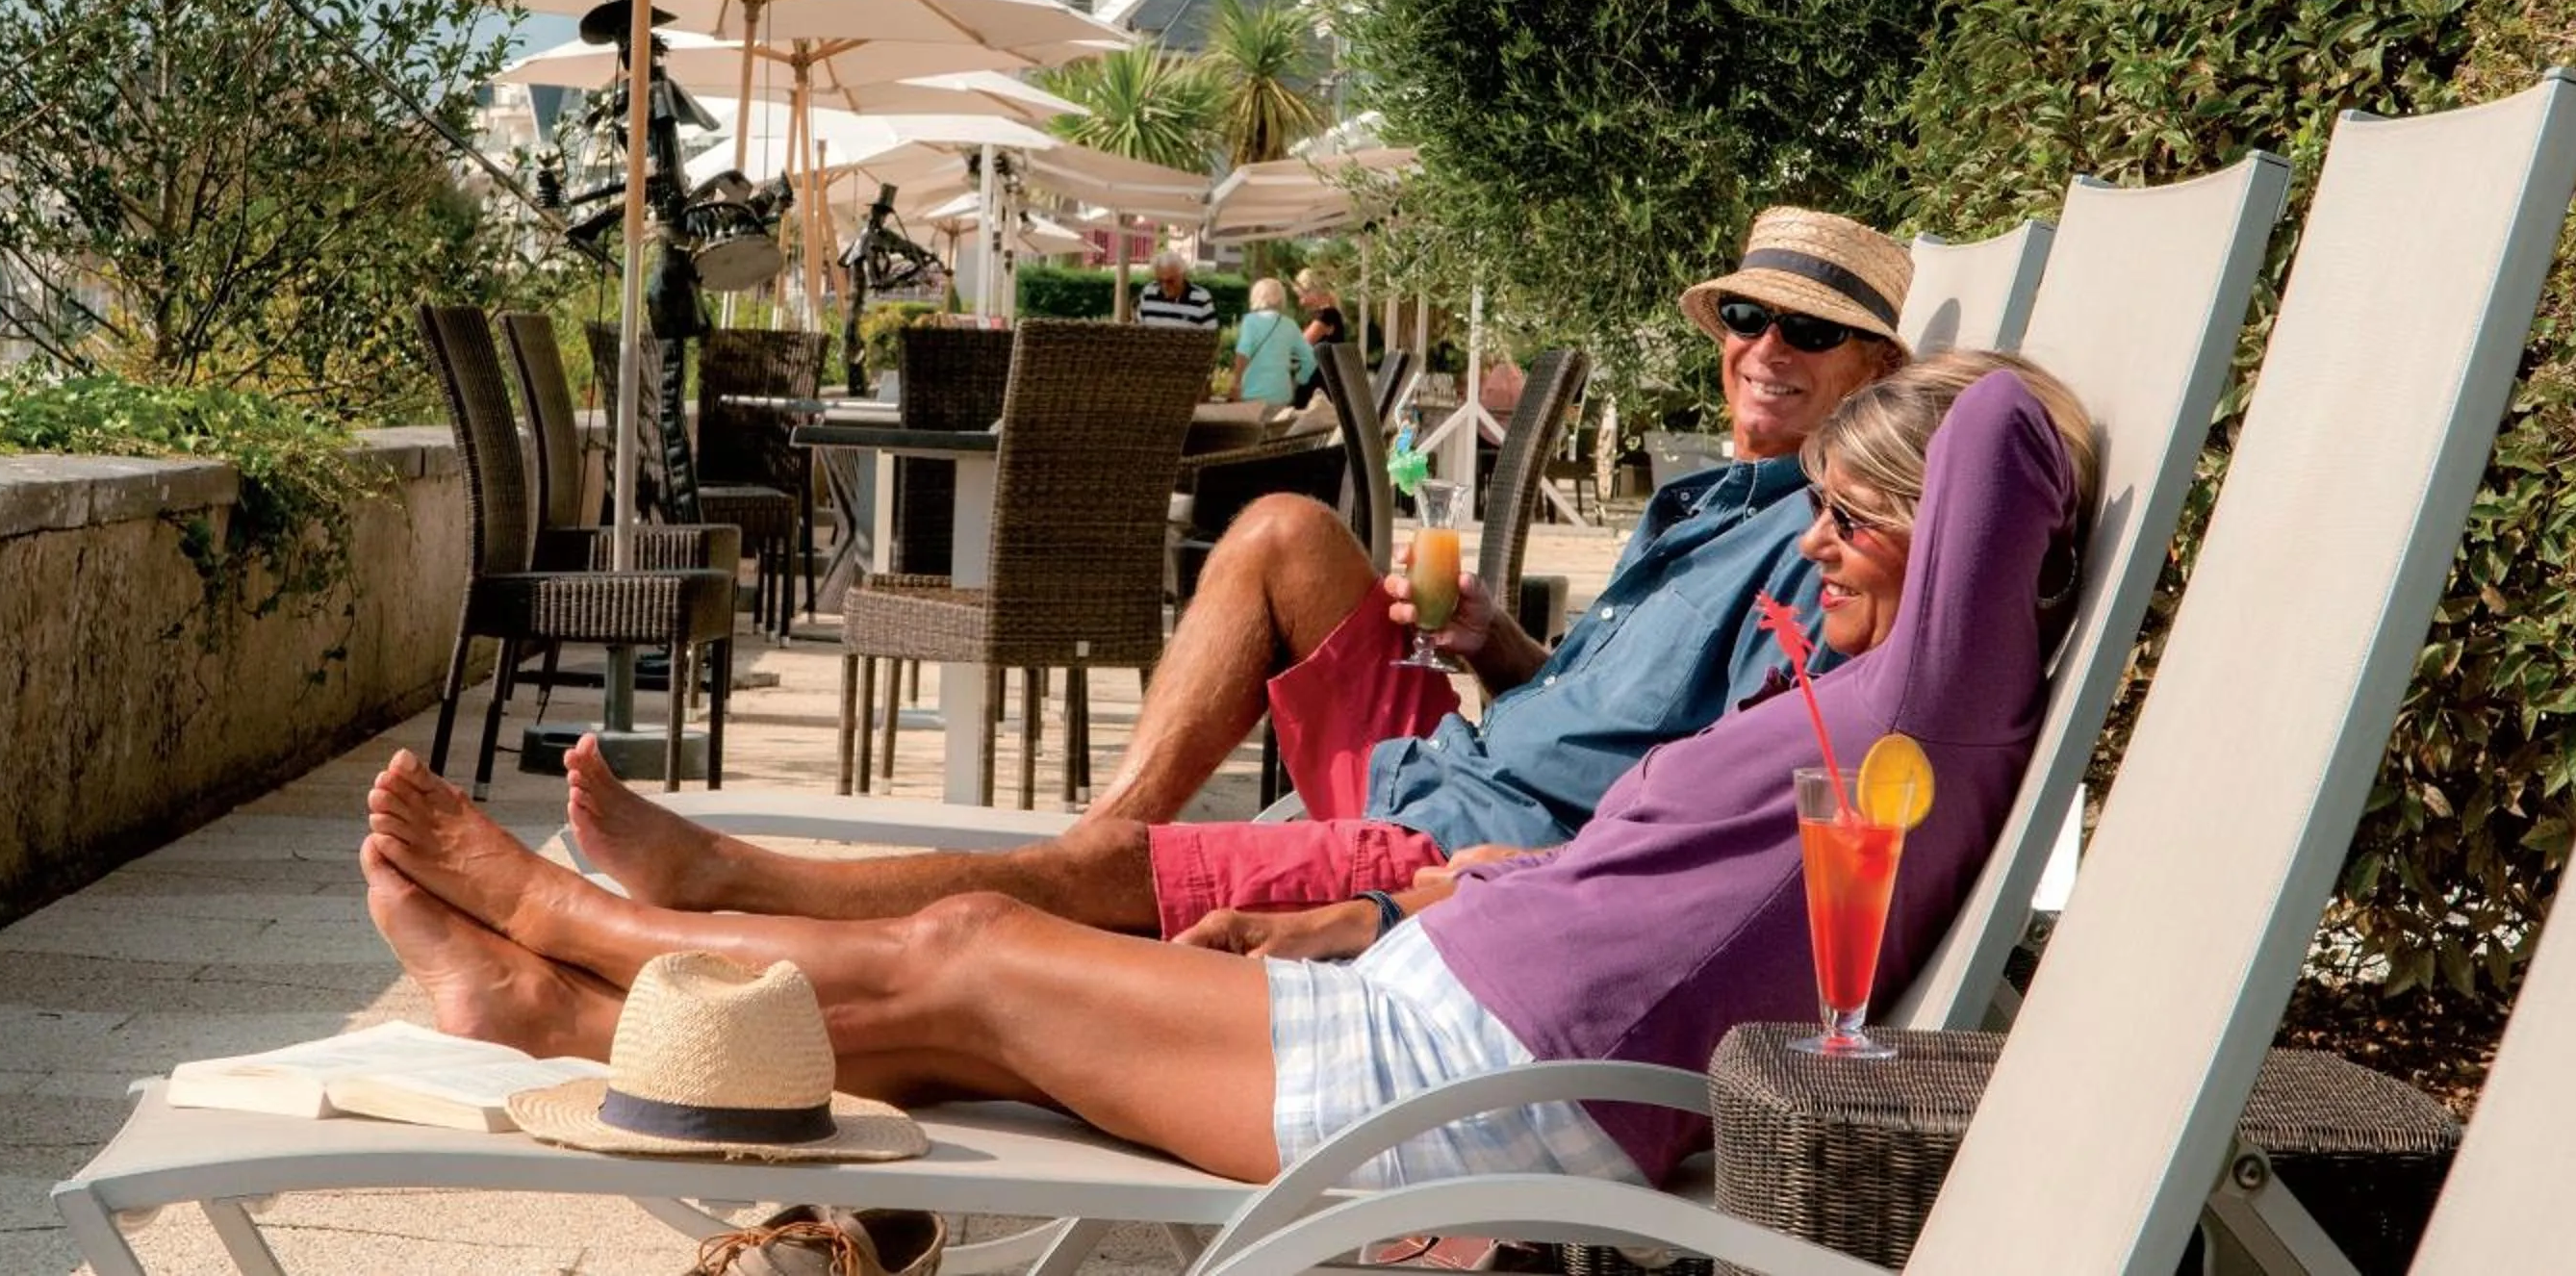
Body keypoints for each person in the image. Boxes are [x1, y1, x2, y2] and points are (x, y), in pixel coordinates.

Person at [362, 354, 2093, 1190]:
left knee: (972, 948)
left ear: (1948, 537)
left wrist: (1922, 422)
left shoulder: (1933, 697)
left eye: (1859, 518)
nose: (1826, 544)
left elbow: (2010, 423)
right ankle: (565, 1011)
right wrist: (1441, 893)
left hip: (1467, 1080)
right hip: (1455, 1001)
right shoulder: (1878, 693)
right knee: (960, 1021)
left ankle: (561, 917)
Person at [560, 207, 1914, 941]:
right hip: (1459, 756)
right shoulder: (1696, 504)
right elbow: (1615, 714)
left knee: (1072, 900)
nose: (1762, 347)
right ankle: (1113, 836)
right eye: (1746, 316)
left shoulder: (1822, 554)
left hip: (1479, 847)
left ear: (1877, 374)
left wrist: (1457, 890)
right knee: (1277, 528)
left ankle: (738, 879)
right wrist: (1505, 653)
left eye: (1809, 329)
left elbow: (1702, 801)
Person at [1233, 276, 1317, 406]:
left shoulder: (1250, 321)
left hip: (1252, 395)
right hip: (1281, 395)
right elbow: (1311, 359)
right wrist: (1298, 381)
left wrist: (1236, 383)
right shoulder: (1290, 325)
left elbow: (1243, 353)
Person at [1294, 269, 1347, 405]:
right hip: (1325, 381)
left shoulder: (1327, 315)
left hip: (1320, 386)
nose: (1301, 302)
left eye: (1302, 295)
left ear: (1314, 291)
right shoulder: (1329, 314)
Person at [1135, 250, 1219, 330]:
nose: (1165, 286)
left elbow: (1210, 336)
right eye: (1160, 280)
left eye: (1170, 281)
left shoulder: (1201, 297)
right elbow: (1139, 329)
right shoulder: (1148, 292)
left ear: (1183, 275)